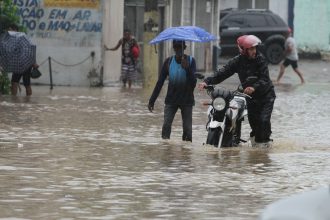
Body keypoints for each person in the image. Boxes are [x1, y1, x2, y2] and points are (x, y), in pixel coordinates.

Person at [198, 35, 276, 147]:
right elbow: (223, 72)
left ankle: (265, 144)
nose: (254, 51)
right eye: (251, 49)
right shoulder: (237, 61)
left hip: (266, 96)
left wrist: (254, 87)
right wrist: (207, 81)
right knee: (254, 124)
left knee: (263, 120)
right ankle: (253, 144)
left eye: (254, 48)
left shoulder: (261, 59)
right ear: (243, 50)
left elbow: (265, 79)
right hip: (250, 97)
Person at [148, 40, 197, 142]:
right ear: (173, 48)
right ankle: (166, 149)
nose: (178, 50)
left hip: (187, 100)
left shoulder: (191, 61)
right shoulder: (168, 62)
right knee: (166, 126)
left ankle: (186, 152)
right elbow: (160, 82)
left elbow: (193, 84)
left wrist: (187, 69)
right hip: (171, 100)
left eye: (180, 47)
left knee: (187, 130)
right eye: (176, 47)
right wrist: (152, 100)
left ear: (185, 48)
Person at [7, 23, 39, 96]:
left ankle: (21, 99)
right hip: (20, 63)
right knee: (17, 82)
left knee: (22, 83)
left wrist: (34, 61)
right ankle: (22, 100)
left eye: (10, 29)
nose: (8, 31)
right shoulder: (13, 38)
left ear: (15, 30)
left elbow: (31, 48)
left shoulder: (21, 37)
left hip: (24, 63)